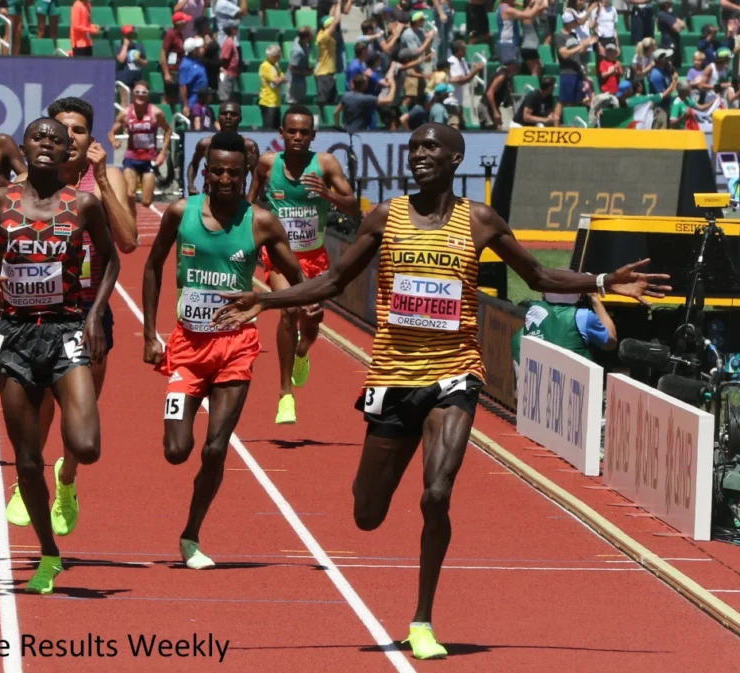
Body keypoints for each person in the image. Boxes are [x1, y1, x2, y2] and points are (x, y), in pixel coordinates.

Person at [212, 123, 671, 660]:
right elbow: (335, 282)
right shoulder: (386, 216)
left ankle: (423, 619)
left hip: (454, 373)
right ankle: (383, 512)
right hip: (393, 375)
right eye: (415, 148)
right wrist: (268, 302)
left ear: (456, 159)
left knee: (437, 493)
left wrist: (600, 282)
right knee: (367, 513)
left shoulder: (479, 220)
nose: (420, 154)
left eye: (432, 147)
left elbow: (539, 273)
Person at [0, 118, 120, 594]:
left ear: (69, 148)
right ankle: (49, 552)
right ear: (24, 148)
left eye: (57, 139)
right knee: (26, 460)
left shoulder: (83, 205)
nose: (48, 144)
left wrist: (95, 315)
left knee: (86, 445)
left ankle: (65, 479)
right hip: (14, 335)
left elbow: (112, 258)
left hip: (67, 328)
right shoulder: (0, 202)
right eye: (38, 138)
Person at [142, 131, 313, 569]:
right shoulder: (182, 212)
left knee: (216, 447)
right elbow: (152, 266)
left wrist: (305, 300)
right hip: (187, 347)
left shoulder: (260, 222)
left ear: (244, 176)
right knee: (176, 450)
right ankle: (190, 524)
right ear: (205, 171)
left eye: (233, 173)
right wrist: (149, 334)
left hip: (237, 346)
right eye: (216, 170)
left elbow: (296, 274)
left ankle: (191, 535)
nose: (224, 178)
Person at [1, 96, 138, 529]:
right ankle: (28, 479)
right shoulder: (29, 182)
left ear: (90, 139)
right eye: (63, 129)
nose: (70, 137)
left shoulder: (107, 177)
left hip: (89, 313)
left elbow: (129, 241)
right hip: (37, 314)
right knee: (38, 406)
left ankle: (67, 479)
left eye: (79, 130)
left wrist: (99, 177)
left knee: (81, 416)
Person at [248, 105, 358, 424]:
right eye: (291, 131)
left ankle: (303, 350)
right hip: (280, 258)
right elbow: (250, 202)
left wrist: (328, 194)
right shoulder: (268, 164)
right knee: (288, 310)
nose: (297, 137)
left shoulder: (325, 164)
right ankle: (285, 395)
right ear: (281, 134)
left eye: (304, 132)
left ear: (313, 136)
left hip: (314, 258)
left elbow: (353, 206)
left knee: (311, 321)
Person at [511, 291, 618, 378]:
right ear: (579, 295)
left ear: (543, 293)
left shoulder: (531, 309)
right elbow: (610, 342)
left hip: (530, 389)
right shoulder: (583, 316)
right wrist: (595, 300)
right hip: (572, 390)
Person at [108, 81, 173, 221]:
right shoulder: (125, 113)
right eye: (137, 92)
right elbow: (111, 132)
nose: (140, 95)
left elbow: (168, 130)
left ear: (148, 95)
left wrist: (163, 153)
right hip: (131, 158)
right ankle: (132, 219)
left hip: (149, 159)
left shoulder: (156, 113)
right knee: (129, 194)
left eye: (144, 93)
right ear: (133, 94)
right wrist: (114, 141)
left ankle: (134, 213)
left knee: (146, 201)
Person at [185, 102, 259, 196]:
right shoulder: (205, 144)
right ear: (218, 118)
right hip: (210, 199)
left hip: (238, 201)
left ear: (240, 119)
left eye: (233, 114)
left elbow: (258, 174)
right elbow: (194, 164)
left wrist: (252, 197)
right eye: (224, 114)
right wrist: (191, 184)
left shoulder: (249, 146)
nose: (228, 117)